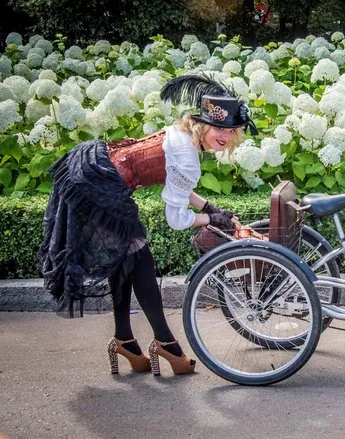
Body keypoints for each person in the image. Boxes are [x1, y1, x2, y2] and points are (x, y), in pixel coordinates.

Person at [39, 74, 257, 376]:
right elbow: (176, 219)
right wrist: (209, 218)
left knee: (126, 259)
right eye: (219, 127)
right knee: (139, 257)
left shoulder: (182, 135)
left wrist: (207, 206)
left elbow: (174, 177)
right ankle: (166, 343)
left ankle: (125, 339)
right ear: (203, 123)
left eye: (232, 130)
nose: (225, 136)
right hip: (98, 182)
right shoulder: (188, 156)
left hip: (93, 165)